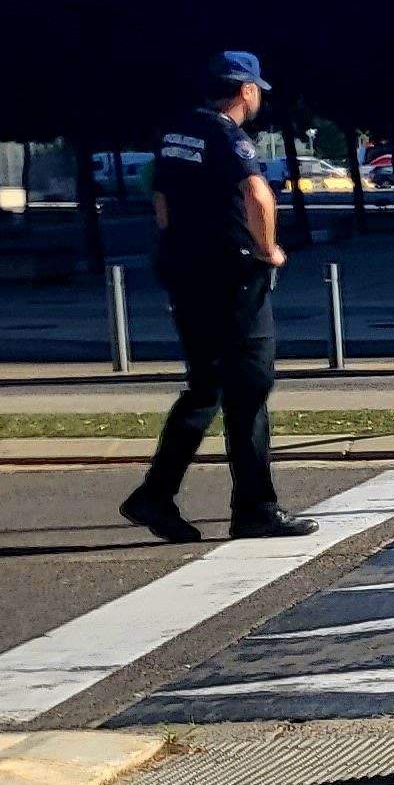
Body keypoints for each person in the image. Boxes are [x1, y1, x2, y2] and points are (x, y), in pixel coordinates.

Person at [122, 51, 308, 542]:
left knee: (205, 387)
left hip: (185, 271)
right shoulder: (227, 136)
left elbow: (161, 201)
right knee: (249, 388)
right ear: (245, 90)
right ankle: (255, 508)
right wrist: (269, 251)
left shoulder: (175, 134)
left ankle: (155, 494)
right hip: (232, 275)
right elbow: (257, 194)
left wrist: (179, 248)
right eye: (257, 90)